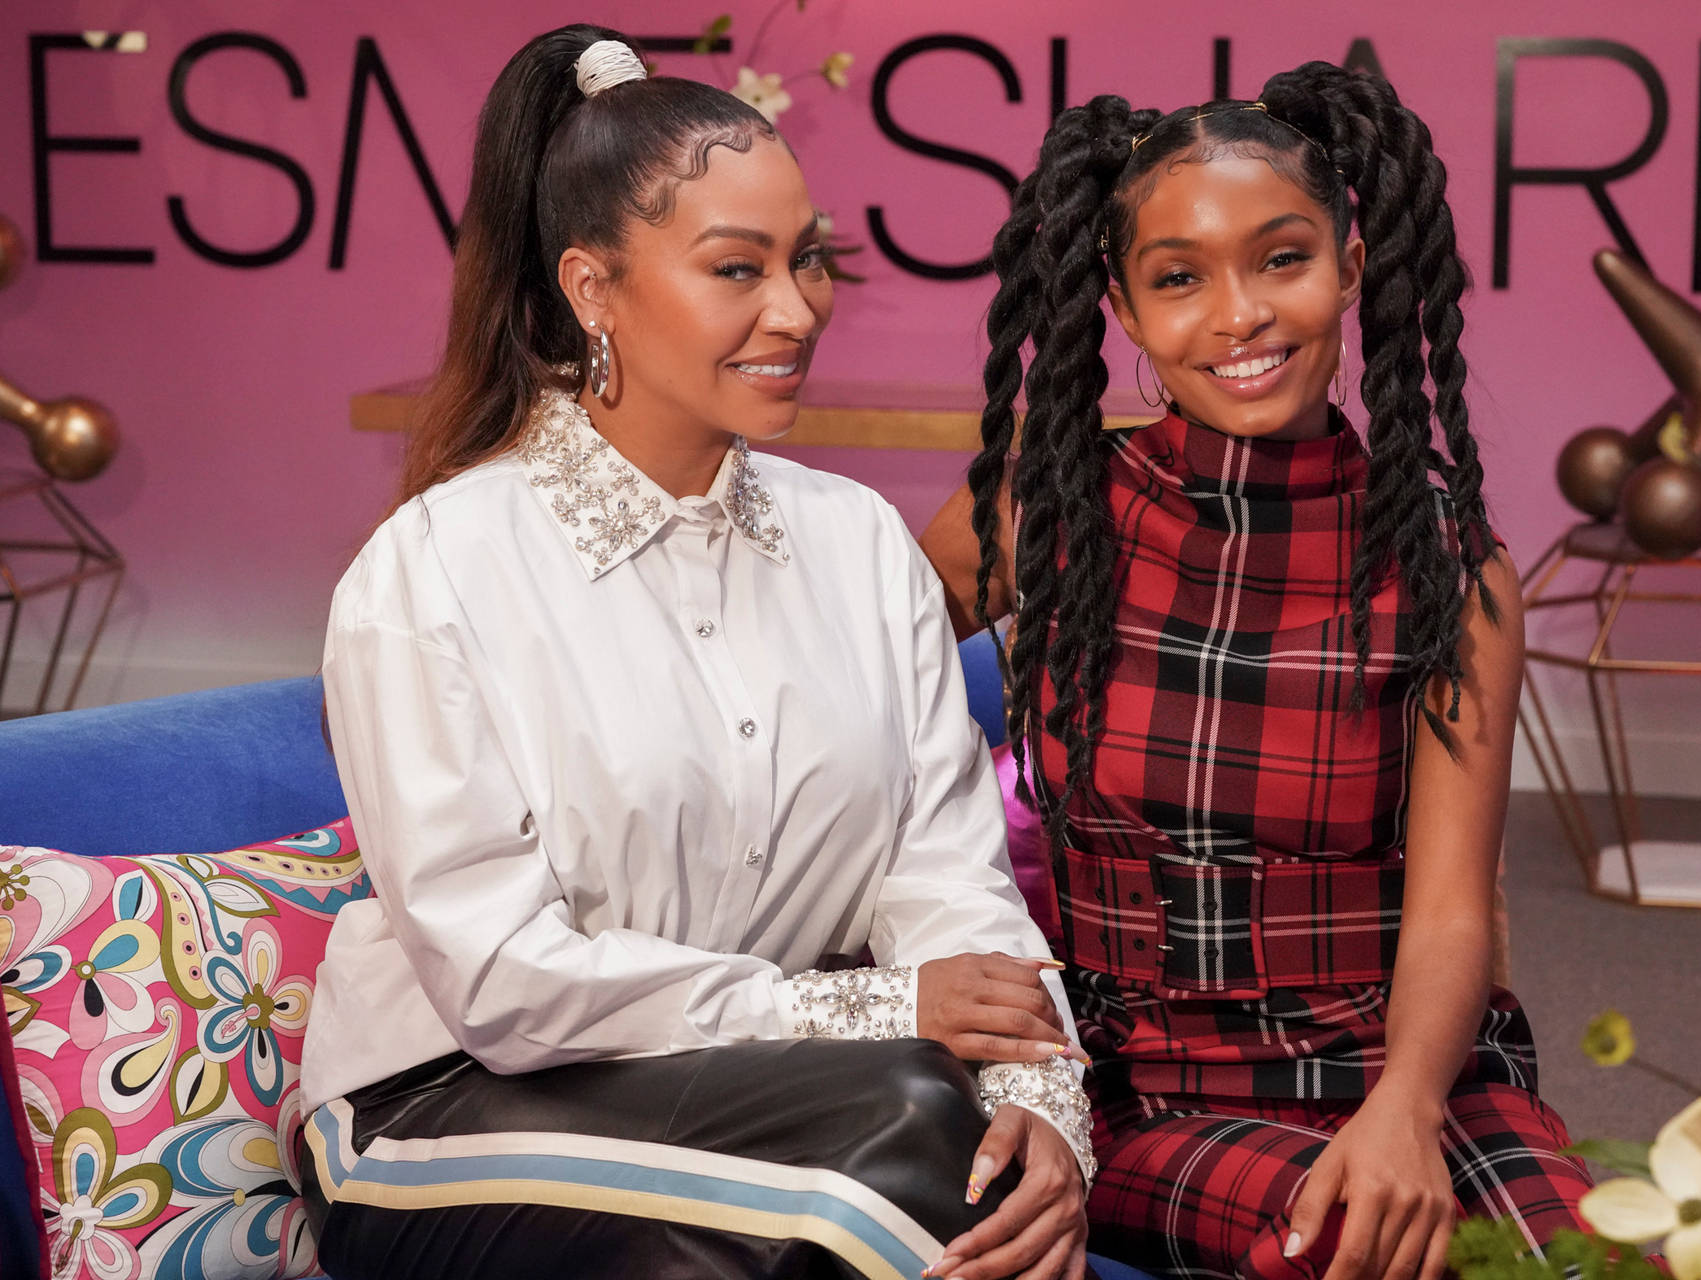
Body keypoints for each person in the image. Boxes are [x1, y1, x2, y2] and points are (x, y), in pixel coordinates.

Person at [300, 26, 1092, 1280]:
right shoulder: (435, 567)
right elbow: (502, 979)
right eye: (739, 268)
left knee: (943, 1152)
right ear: (592, 287)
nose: (797, 309)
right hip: (436, 1108)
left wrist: (1041, 1102)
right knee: (896, 1140)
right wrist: (870, 1006)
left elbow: (947, 878)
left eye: (808, 260)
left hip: (776, 1086)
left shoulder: (858, 545)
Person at [919, 64, 1595, 1280]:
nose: (1239, 315)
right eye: (1181, 278)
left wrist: (1404, 1108)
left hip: (1401, 1061)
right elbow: (848, 714)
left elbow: (1451, 906)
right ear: (1122, 307)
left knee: (1584, 1263)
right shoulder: (1045, 514)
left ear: (1348, 263)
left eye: (1281, 259)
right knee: (1363, 1251)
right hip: (1137, 1085)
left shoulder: (1453, 564)